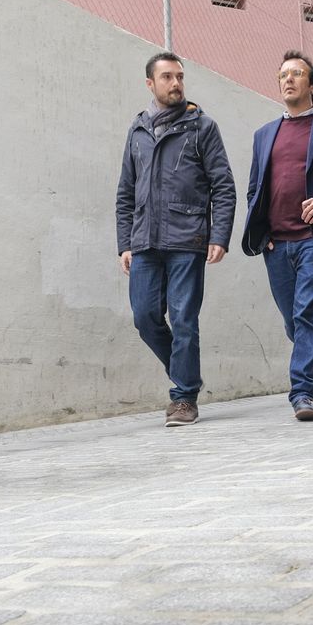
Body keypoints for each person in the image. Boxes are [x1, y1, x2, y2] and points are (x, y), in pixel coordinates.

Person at [116, 52, 236, 426]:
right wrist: (125, 243)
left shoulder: (202, 127)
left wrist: (219, 235)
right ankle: (187, 375)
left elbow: (223, 185)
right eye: (167, 77)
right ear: (150, 83)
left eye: (180, 76)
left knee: (184, 318)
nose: (176, 83)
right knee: (145, 317)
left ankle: (184, 398)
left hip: (187, 238)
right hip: (144, 241)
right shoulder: (137, 130)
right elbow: (125, 192)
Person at [242, 51, 313, 420]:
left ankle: (301, 392)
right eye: (283, 74)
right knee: (295, 323)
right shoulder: (263, 135)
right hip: (276, 244)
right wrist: (262, 234)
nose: (288, 79)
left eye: (297, 74)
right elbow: (255, 188)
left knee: (307, 315)